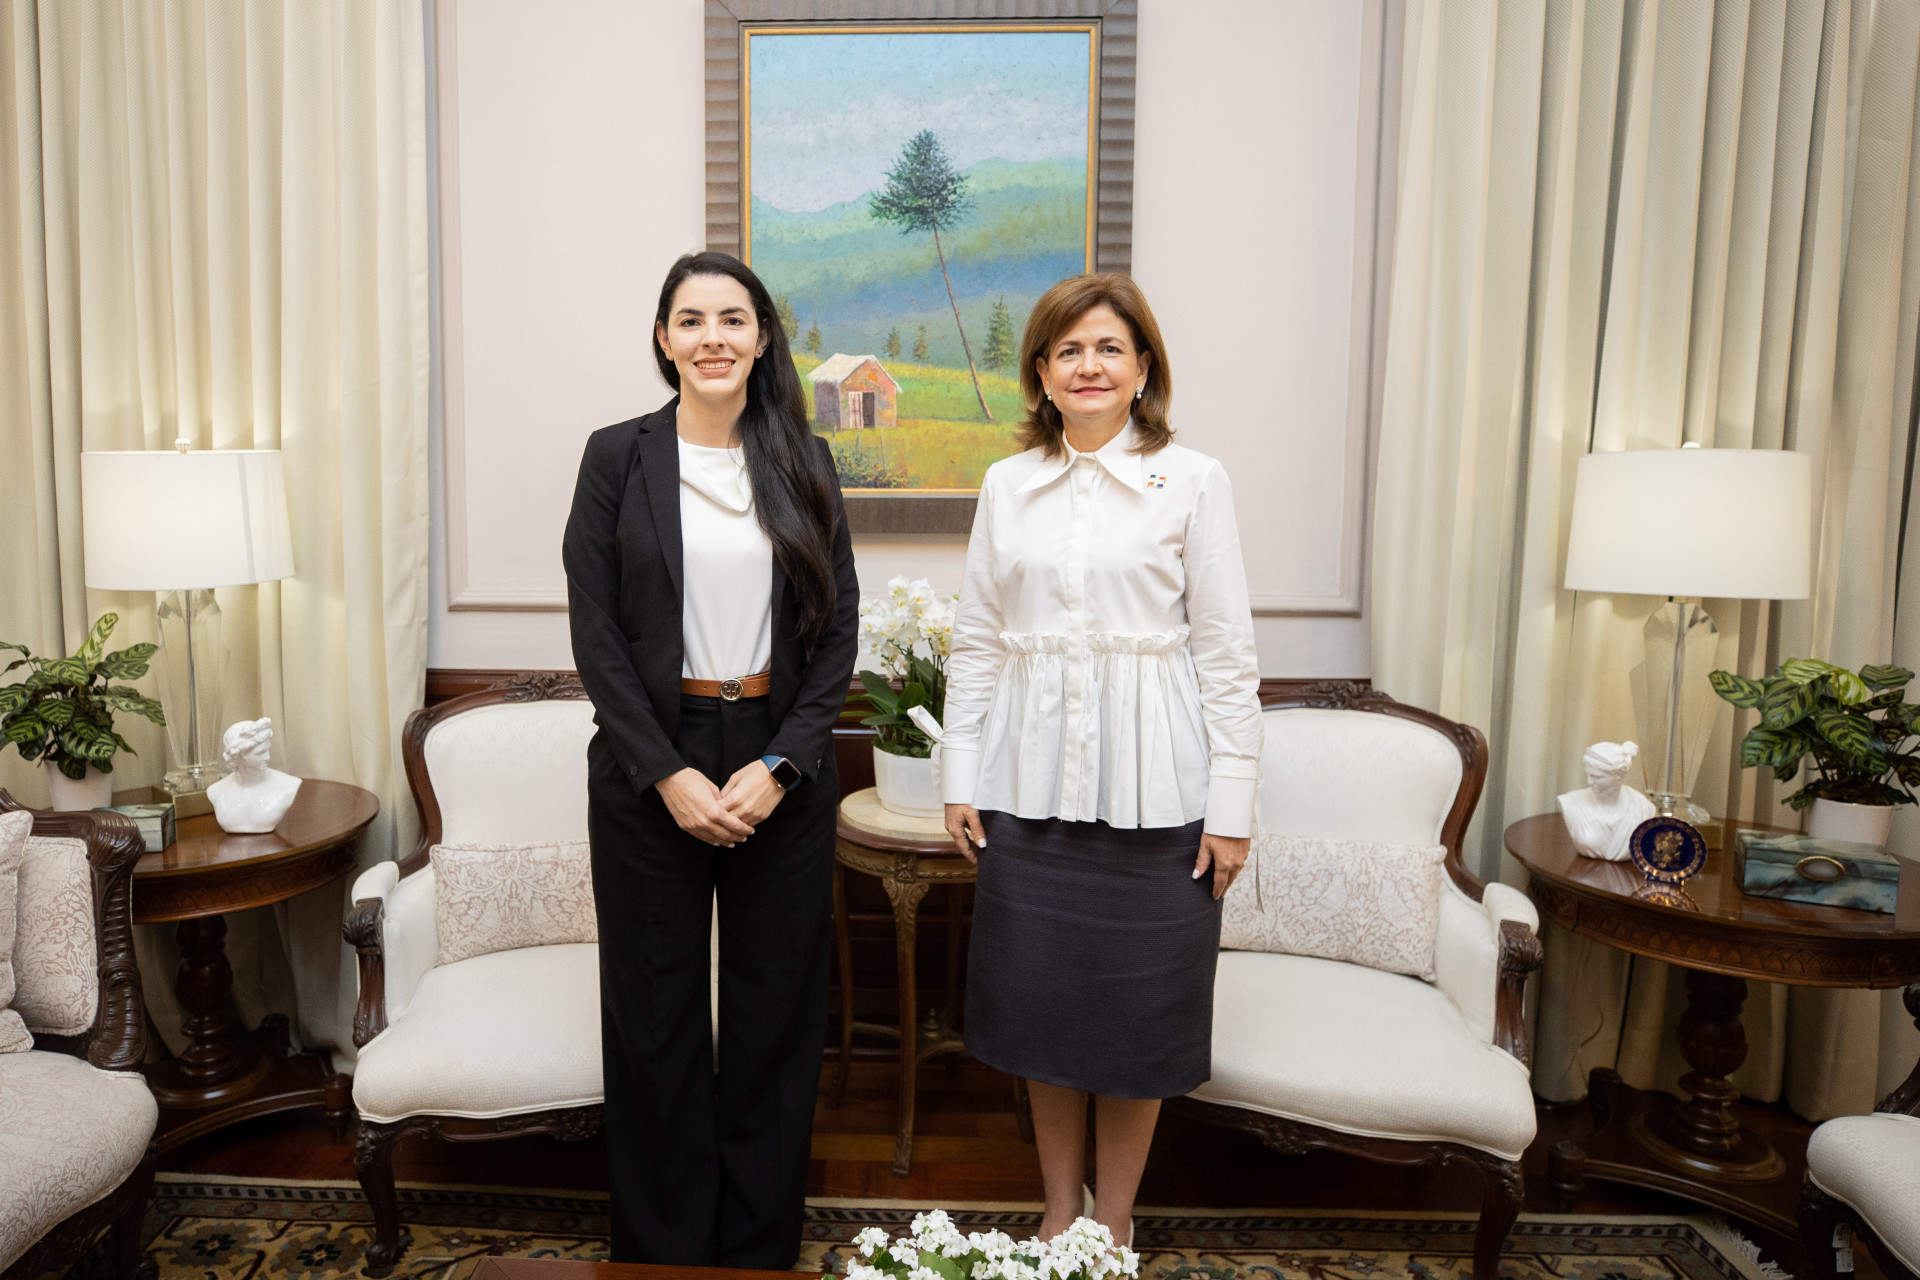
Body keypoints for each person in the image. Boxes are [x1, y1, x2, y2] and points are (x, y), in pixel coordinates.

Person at [941, 273, 1263, 1244]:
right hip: (1027, 788)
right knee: (1044, 1012)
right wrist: (960, 776)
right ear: (1041, 372)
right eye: (1069, 349)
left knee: (1137, 1020)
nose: (1089, 365)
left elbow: (1226, 652)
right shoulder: (1008, 485)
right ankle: (1057, 1211)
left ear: (1143, 368)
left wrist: (1232, 807)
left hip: (1159, 794)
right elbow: (977, 640)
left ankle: (1112, 1223)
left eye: (1109, 348)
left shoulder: (1193, 480)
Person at [563, 251, 858, 1267]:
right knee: (656, 1016)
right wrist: (668, 773)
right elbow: (598, 634)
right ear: (664, 339)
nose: (713, 338)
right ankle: (664, 1248)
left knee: (775, 1015)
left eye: (733, 318)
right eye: (691, 320)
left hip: (778, 763)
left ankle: (759, 1248)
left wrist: (781, 766)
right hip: (652, 762)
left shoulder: (804, 459)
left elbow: (837, 634)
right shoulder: (616, 456)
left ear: (762, 337)